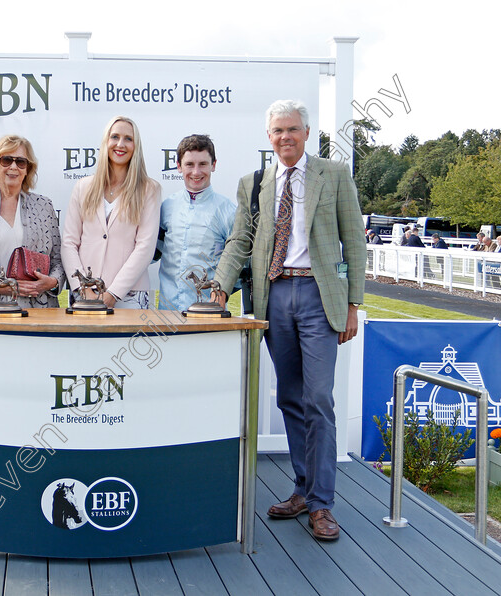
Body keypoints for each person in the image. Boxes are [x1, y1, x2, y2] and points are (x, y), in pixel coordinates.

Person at [213, 99, 365, 541]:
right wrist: (222, 284)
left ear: (306, 131)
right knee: (290, 400)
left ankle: (322, 505)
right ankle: (302, 489)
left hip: (320, 298)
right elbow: (241, 238)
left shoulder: (333, 175)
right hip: (273, 297)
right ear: (269, 137)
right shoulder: (254, 183)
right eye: (278, 131)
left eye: (293, 129)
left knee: (319, 398)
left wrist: (353, 303)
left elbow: (353, 239)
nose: (285, 137)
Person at [62, 116, 161, 309]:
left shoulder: (149, 189)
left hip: (131, 296)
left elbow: (145, 248)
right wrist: (83, 290)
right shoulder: (83, 187)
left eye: (128, 139)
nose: (120, 144)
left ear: (136, 145)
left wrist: (113, 294)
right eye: (114, 137)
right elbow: (69, 243)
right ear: (106, 142)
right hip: (85, 294)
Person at [0, 135, 64, 310]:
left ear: (28, 169)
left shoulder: (44, 206)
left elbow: (58, 259)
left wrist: (51, 282)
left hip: (39, 311)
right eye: (6, 160)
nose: (13, 166)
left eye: (21, 162)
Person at [157, 134, 236, 312]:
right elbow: (151, 253)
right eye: (189, 164)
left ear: (214, 165)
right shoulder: (166, 207)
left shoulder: (228, 211)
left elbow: (239, 264)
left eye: (203, 164)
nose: (196, 172)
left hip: (208, 315)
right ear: (178, 166)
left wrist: (221, 294)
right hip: (167, 312)